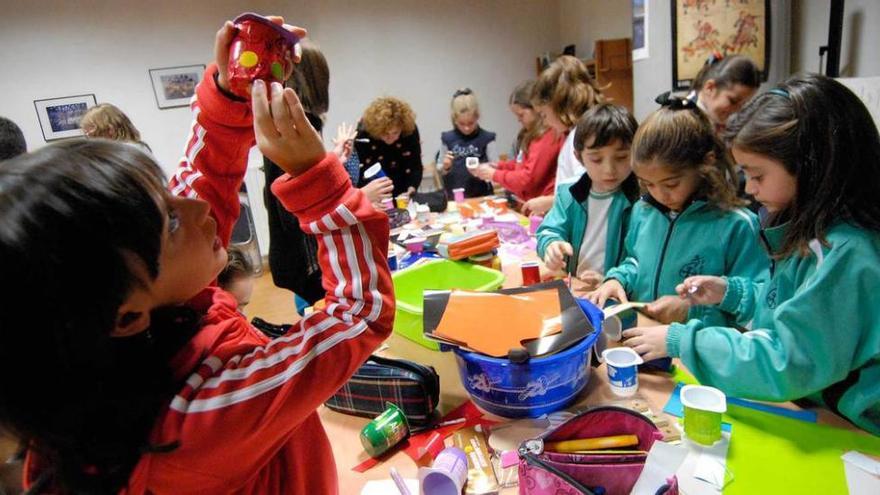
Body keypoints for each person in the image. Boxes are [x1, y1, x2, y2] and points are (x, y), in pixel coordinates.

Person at [3, 18, 393, 493]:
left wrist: (229, 97)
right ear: (124, 315)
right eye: (169, 221)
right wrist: (317, 179)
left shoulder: (116, 338)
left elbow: (203, 181)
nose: (195, 208)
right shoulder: (203, 415)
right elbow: (359, 311)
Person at [621, 74, 880, 435]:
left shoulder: (847, 252)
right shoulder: (806, 229)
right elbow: (792, 309)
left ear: (813, 166)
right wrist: (733, 293)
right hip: (815, 407)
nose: (750, 188)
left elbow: (788, 359)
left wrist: (683, 340)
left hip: (853, 432)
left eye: (757, 175)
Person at [589, 98, 768, 326]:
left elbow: (756, 304)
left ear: (705, 165)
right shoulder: (643, 211)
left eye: (671, 184)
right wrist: (617, 280)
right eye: (648, 184)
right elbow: (634, 261)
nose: (659, 195)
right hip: (646, 339)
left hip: (699, 350)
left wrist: (690, 312)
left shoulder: (738, 225)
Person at [536, 104, 639, 290]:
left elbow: (639, 258)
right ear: (578, 157)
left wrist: (613, 280)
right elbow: (548, 230)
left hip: (615, 294)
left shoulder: (638, 201)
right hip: (578, 287)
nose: (609, 169)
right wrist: (551, 246)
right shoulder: (569, 193)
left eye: (622, 157)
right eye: (597, 159)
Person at [262, 40, 332, 310]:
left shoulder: (280, 120)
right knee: (318, 311)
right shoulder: (300, 124)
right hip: (304, 255)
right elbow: (300, 198)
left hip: (291, 249)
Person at [523, 55, 604, 216]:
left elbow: (589, 188)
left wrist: (548, 202)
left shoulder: (581, 135)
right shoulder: (576, 132)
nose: (545, 123)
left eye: (544, 114)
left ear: (558, 105)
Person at [470, 82, 563, 202]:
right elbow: (522, 164)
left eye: (521, 114)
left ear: (536, 109)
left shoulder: (547, 136)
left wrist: (494, 174)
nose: (518, 119)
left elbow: (528, 179)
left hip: (542, 206)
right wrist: (499, 166)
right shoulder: (532, 134)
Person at [352, 96, 423, 198]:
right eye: (385, 133)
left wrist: (411, 189)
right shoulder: (364, 134)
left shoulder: (409, 132)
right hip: (374, 194)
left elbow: (415, 165)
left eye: (395, 133)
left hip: (403, 190)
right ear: (376, 130)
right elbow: (359, 173)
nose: (390, 137)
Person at [437, 88, 498, 198]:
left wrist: (484, 169)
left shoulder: (487, 138)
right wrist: (446, 166)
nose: (466, 128)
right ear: (455, 119)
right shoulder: (447, 138)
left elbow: (495, 167)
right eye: (462, 123)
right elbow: (440, 168)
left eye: (471, 123)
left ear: (477, 117)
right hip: (455, 196)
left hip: (482, 195)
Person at [687, 53, 760, 132]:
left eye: (744, 104)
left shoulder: (715, 120)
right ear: (710, 88)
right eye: (733, 101)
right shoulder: (685, 125)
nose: (738, 111)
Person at [80, 103, 152, 152]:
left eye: (93, 135)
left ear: (110, 130)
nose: (88, 136)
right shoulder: (136, 148)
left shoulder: (130, 151)